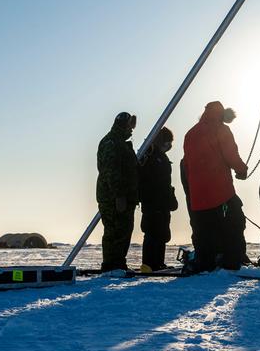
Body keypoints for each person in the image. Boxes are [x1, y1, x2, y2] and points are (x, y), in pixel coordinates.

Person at [182, 101, 248, 271]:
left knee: (204, 231)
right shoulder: (220, 130)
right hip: (220, 193)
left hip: (198, 196)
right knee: (234, 223)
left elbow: (187, 165)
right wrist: (242, 170)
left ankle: (204, 263)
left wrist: (192, 191)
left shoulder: (190, 133)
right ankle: (232, 262)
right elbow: (230, 154)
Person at [96, 111, 140, 272]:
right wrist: (119, 196)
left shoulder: (119, 142)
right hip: (113, 197)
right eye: (130, 126)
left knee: (123, 230)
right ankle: (111, 264)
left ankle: (117, 263)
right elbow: (111, 171)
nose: (132, 130)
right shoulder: (111, 143)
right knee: (115, 231)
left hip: (122, 196)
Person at [138, 127, 178, 271]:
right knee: (152, 231)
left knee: (161, 232)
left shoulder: (160, 156)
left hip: (162, 202)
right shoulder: (150, 155)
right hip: (153, 201)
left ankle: (158, 262)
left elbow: (164, 182)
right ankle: (149, 263)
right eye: (168, 142)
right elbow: (152, 181)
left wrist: (170, 196)